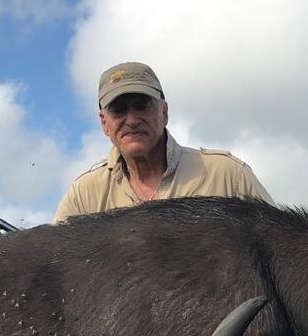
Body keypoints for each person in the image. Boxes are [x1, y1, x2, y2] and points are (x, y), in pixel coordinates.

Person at [53, 61, 271, 223]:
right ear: (104, 123)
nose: (132, 120)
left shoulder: (228, 176)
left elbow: (282, 255)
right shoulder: (83, 196)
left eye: (142, 105)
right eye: (119, 110)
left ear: (164, 112)